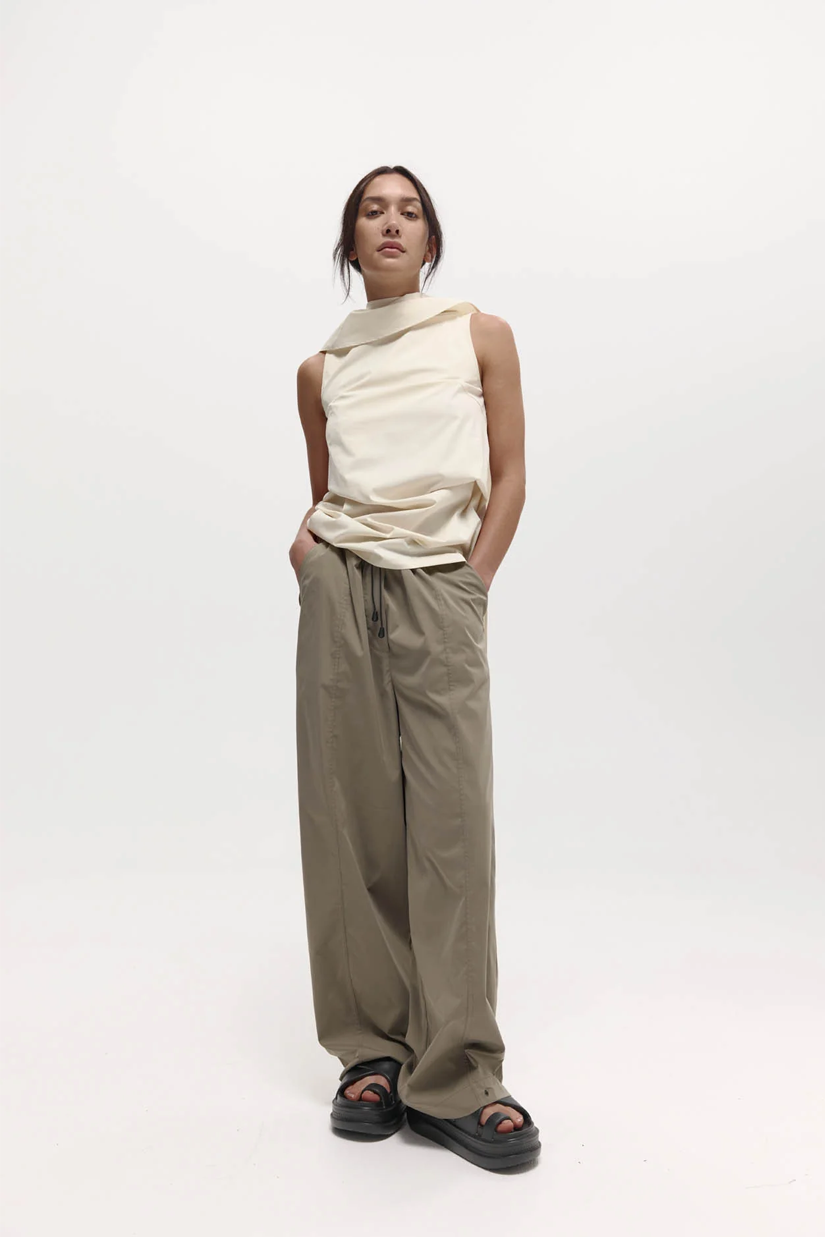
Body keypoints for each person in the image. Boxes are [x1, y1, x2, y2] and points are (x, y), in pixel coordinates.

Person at [290, 165, 540, 1172]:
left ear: (430, 240)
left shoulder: (479, 334)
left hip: (441, 583)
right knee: (348, 821)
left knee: (451, 825)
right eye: (371, 211)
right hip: (341, 590)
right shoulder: (321, 368)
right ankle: (372, 1054)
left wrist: (474, 581)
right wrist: (312, 559)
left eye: (409, 211)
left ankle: (460, 1073)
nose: (390, 223)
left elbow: (510, 473)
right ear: (349, 242)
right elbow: (328, 486)